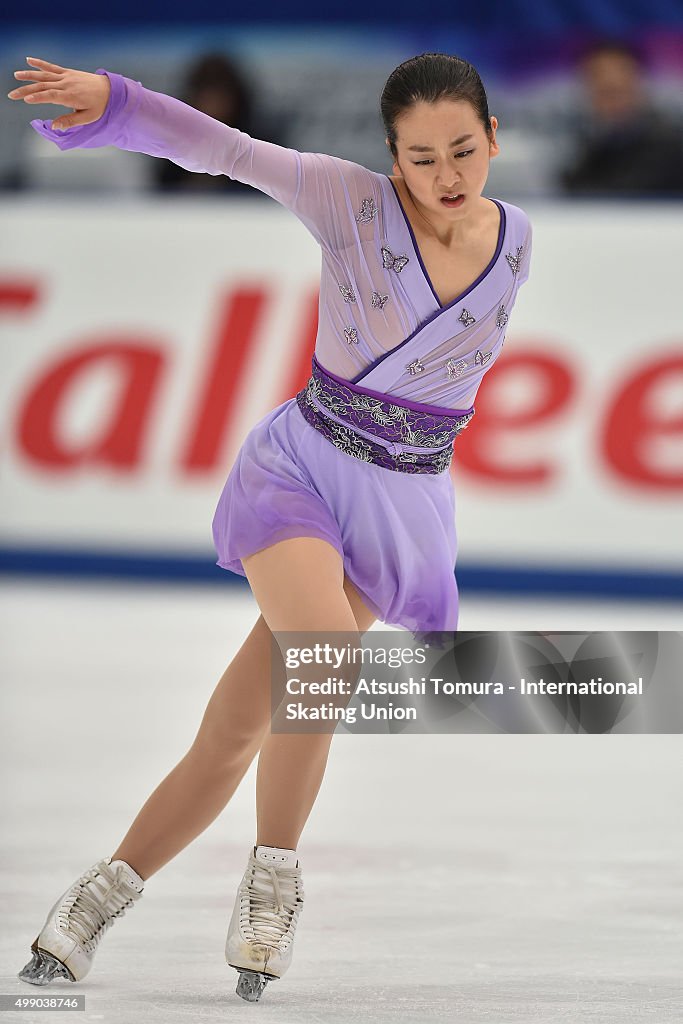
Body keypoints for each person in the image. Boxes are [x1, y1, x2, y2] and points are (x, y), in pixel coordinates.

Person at [8, 51, 532, 1003]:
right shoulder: (350, 203)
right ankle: (274, 883)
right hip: (302, 468)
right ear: (390, 158)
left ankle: (91, 903)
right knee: (323, 653)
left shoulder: (518, 242)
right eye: (420, 158)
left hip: (400, 502)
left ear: (494, 138)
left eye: (462, 150)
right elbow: (223, 149)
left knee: (236, 731)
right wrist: (119, 104)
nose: (445, 176)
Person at [558, 38, 683, 196]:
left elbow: (622, 196)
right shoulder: (594, 143)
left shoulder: (668, 143)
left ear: (639, 84)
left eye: (618, 91)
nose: (611, 102)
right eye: (604, 92)